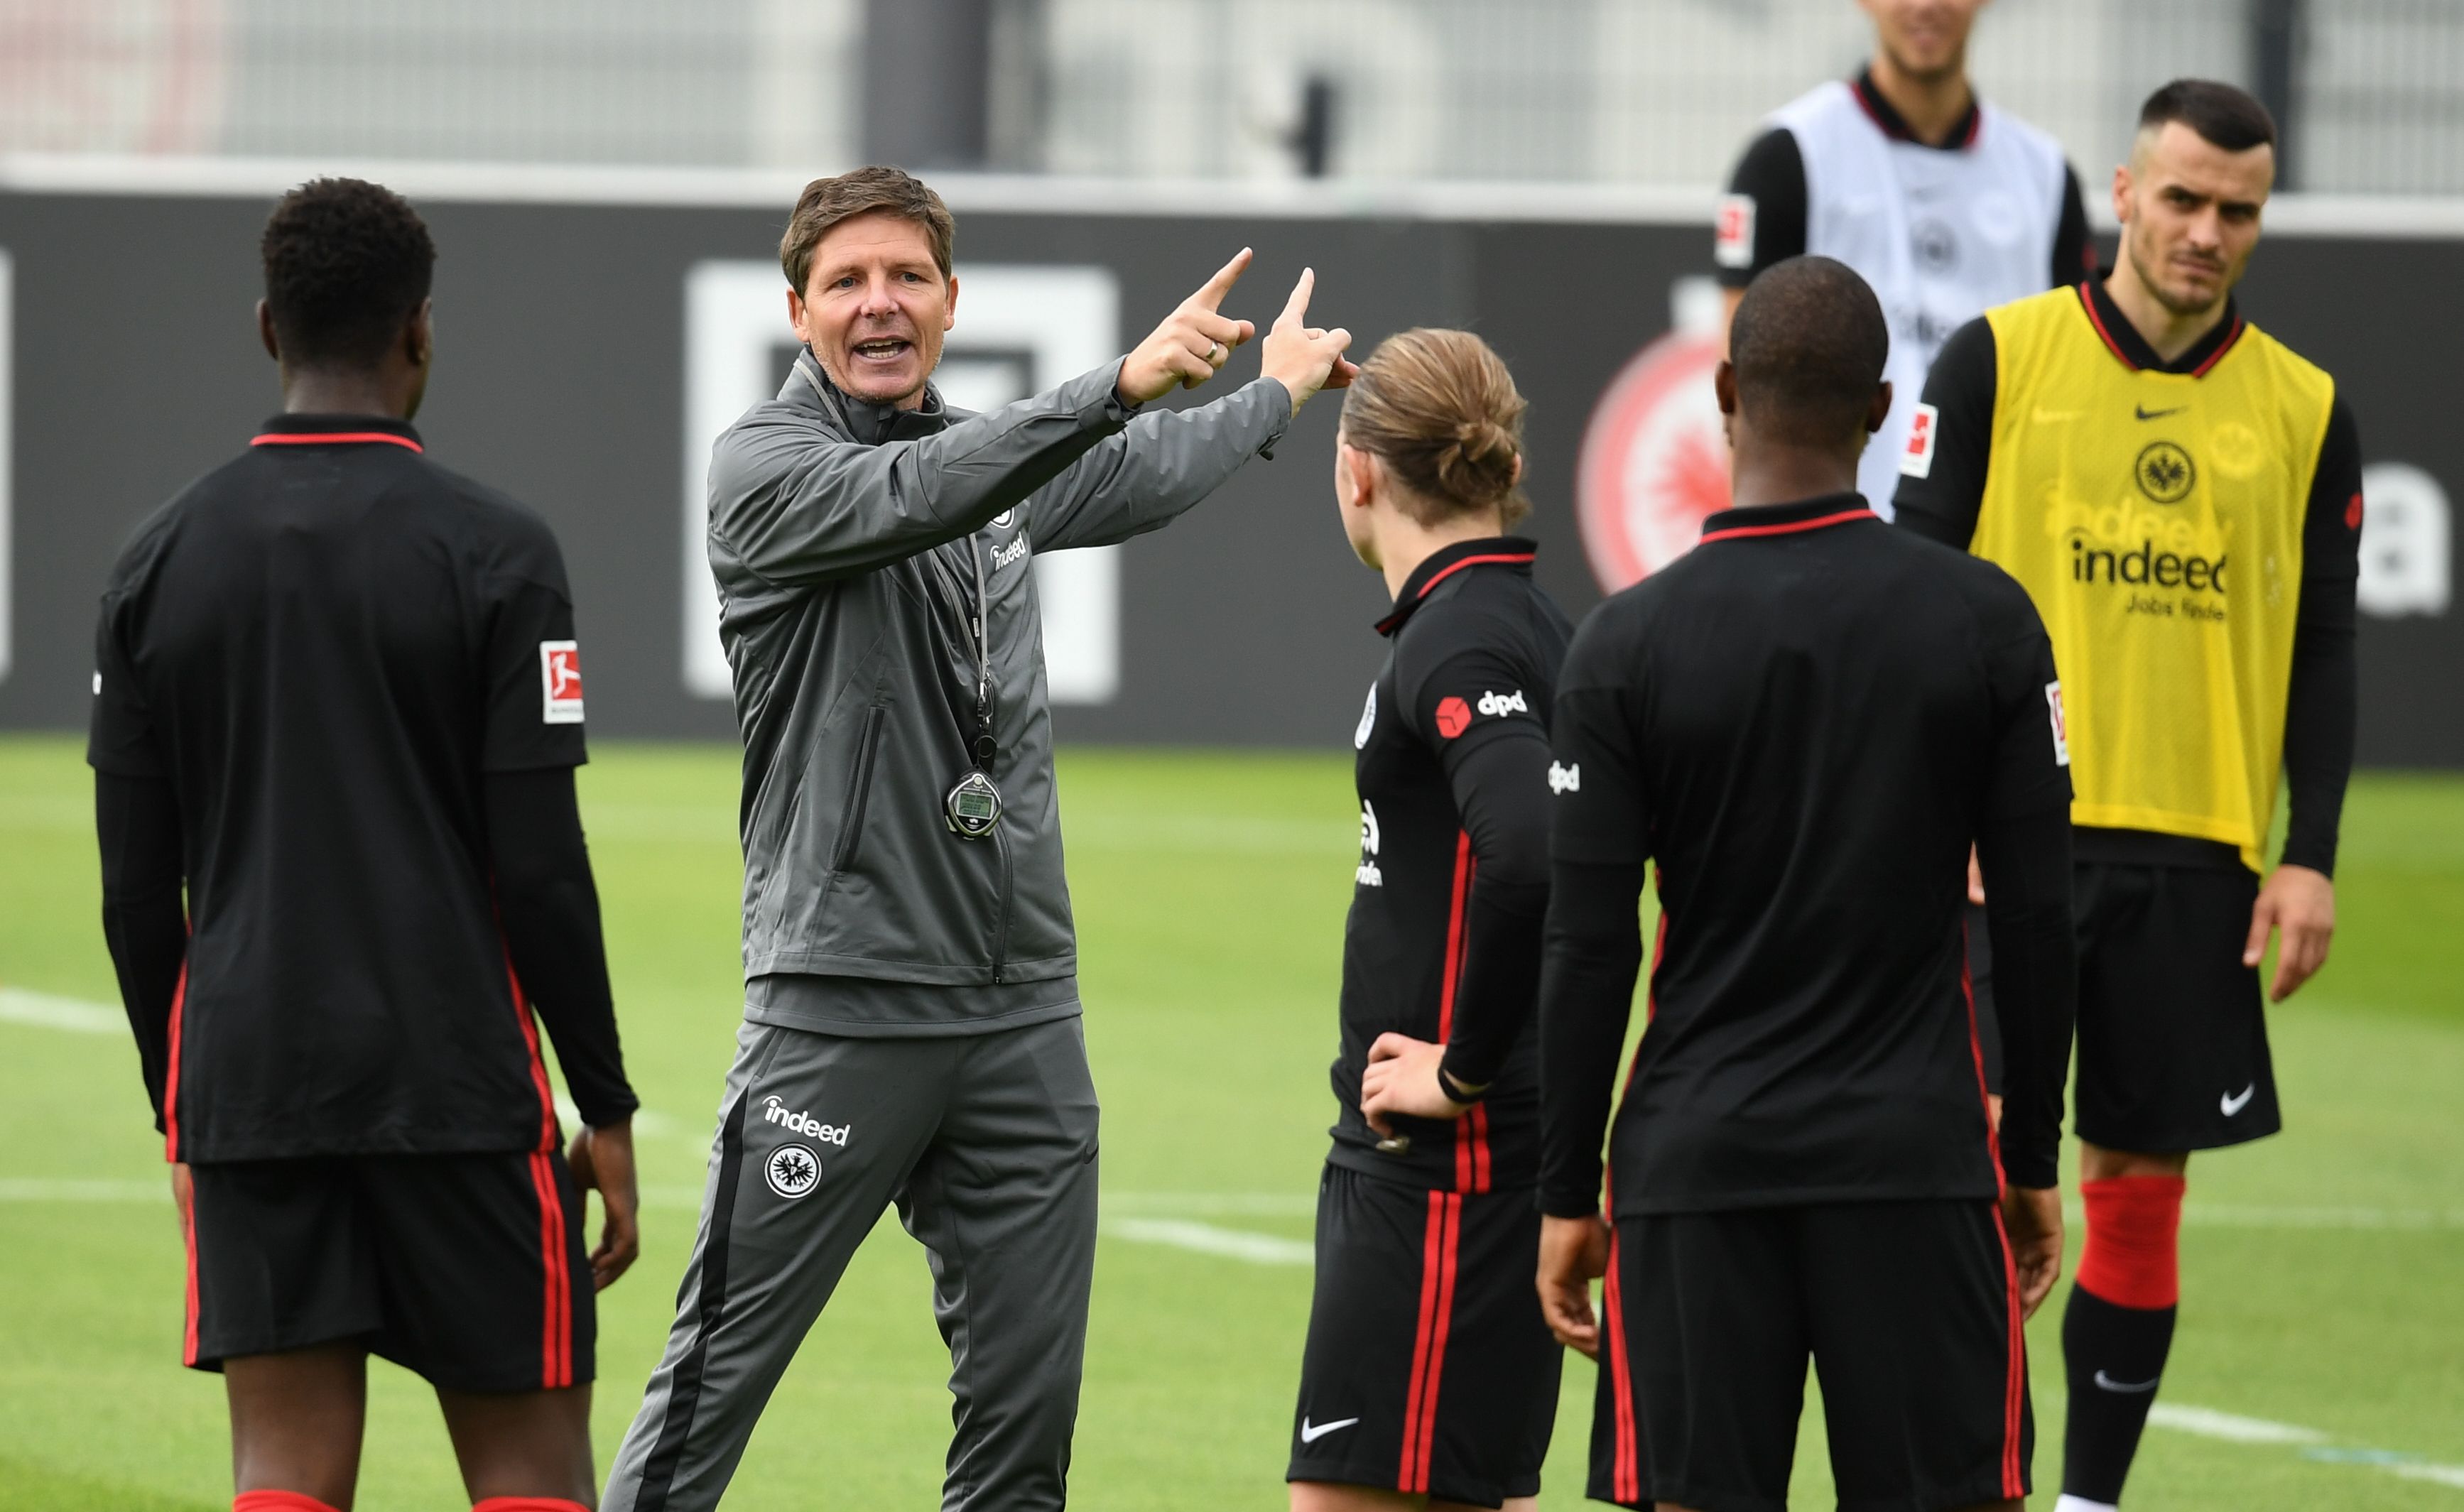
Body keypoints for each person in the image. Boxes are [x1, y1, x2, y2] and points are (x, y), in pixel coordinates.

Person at [599, 166, 1357, 1512]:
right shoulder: (763, 469)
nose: (878, 304)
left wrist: (1272, 395)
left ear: (951, 303)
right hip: (842, 1003)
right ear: (797, 312)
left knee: (1024, 1428)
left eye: (906, 278)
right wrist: (1112, 384)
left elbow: (1125, 477)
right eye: (846, 282)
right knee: (709, 1391)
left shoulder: (991, 463)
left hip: (1020, 1015)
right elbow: (935, 487)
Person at [89, 178, 640, 1512]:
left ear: (268, 327)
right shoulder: (501, 553)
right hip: (458, 1083)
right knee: (528, 1474)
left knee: (283, 1473)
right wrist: (606, 1106)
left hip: (251, 1086)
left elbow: (131, 899)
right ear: (422, 332)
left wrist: (188, 1119)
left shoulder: (155, 562)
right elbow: (542, 866)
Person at [1535, 256, 2077, 1512]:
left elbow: (1587, 944)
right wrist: (2032, 1151)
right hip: (1917, 1154)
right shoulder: (1985, 620)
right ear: (1882, 408)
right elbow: (2042, 912)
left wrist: (1569, 1190)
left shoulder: (1625, 644)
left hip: (1694, 1161)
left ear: (1722, 389)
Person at [1894, 81, 2360, 1512]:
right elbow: (1911, 612)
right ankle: (1961, 1484)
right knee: (1963, 1183)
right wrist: (1926, 824)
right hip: (2004, 850)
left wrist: (2308, 855)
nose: (2205, 233)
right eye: (2182, 200)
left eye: (2237, 212)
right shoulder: (1993, 361)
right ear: (2122, 191)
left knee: (2138, 1194)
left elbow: (2326, 645)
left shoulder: (2305, 410)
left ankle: (2089, 1502)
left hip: (2197, 860)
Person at [1714, 0, 2096, 1110]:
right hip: (1817, 579)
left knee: (1980, 904)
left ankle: (1955, 1155)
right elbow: (1738, 386)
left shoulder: (2042, 175)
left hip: (1981, 608)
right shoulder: (1791, 152)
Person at [1286, 330, 1572, 1512]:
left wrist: (1457, 1072)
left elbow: (1530, 850)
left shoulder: (1460, 632)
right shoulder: (1524, 617)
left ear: (1356, 473)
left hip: (1445, 1170)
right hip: (1478, 1160)